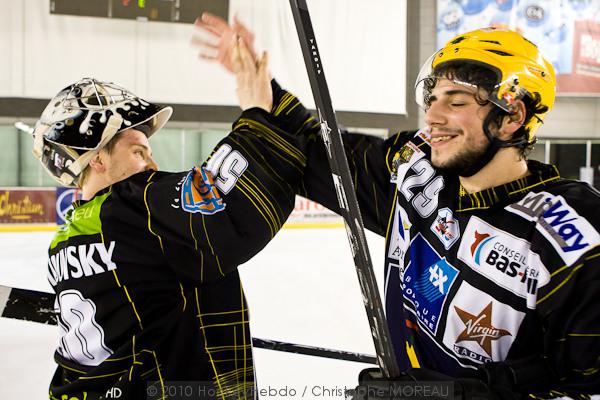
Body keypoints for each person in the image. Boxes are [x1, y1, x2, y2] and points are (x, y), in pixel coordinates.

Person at [194, 14, 600, 398]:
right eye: (432, 98)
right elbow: (322, 153)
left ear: (511, 116)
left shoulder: (573, 237)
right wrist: (264, 97)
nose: (433, 116)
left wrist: (471, 393)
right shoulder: (415, 168)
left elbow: (586, 377)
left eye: (456, 101)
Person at [32, 39, 314, 400]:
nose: (152, 165)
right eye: (138, 151)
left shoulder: (63, 241)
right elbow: (237, 211)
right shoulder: (133, 207)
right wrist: (258, 111)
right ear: (97, 159)